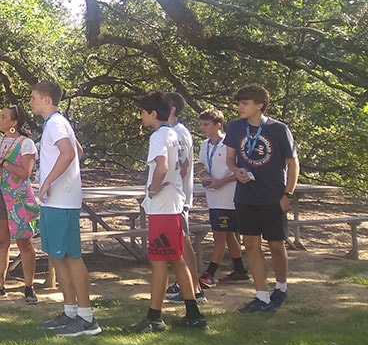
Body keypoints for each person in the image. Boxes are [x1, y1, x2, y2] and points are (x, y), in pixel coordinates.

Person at [127, 91, 207, 332]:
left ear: (153, 114)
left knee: (159, 260)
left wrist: (152, 189)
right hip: (174, 202)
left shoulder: (159, 136)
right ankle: (193, 314)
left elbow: (161, 167)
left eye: (142, 112)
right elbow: (184, 165)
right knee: (175, 258)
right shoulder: (176, 134)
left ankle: (154, 317)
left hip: (162, 206)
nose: (141, 116)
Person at [29, 80, 100, 336]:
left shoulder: (57, 123)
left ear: (47, 99)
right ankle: (70, 311)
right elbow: (77, 150)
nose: (30, 101)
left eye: (34, 97)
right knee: (58, 255)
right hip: (56, 200)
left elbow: (69, 153)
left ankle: (87, 317)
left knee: (71, 256)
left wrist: (48, 180)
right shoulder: (56, 123)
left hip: (62, 201)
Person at [225, 84, 299, 313]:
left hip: (273, 196)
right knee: (250, 244)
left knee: (276, 244)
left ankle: (281, 287)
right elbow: (230, 159)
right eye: (238, 103)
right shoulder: (236, 127)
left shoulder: (278, 129)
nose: (239, 107)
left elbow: (293, 163)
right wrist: (236, 171)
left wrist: (287, 195)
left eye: (244, 104)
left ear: (259, 105)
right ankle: (262, 295)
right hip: (246, 196)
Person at [0, 105, 40, 304]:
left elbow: (25, 173)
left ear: (14, 123)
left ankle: (29, 286)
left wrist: (3, 162)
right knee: (1, 241)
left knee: (24, 242)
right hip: (0, 197)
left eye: (3, 117)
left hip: (20, 199)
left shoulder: (26, 143)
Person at [196, 108, 249, 286]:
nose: (203, 128)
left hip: (228, 197)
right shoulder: (204, 145)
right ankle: (240, 270)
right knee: (227, 235)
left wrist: (222, 181)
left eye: (206, 125)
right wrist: (203, 176)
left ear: (218, 125)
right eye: (201, 124)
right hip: (213, 196)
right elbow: (201, 163)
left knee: (219, 235)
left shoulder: (230, 143)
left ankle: (209, 273)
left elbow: (240, 171)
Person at [165, 92, 206, 303]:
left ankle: (195, 289)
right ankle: (187, 283)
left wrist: (170, 187)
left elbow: (183, 166)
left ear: (171, 109)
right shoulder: (172, 131)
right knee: (179, 241)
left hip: (178, 198)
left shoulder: (178, 132)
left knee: (183, 241)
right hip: (176, 197)